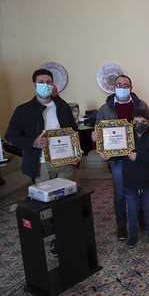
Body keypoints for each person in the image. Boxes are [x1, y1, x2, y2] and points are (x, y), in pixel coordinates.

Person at [5, 68, 81, 256]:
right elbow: (10, 136)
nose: (45, 85)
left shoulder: (62, 107)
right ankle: (56, 238)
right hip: (41, 164)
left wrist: (76, 150)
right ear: (34, 85)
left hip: (64, 162)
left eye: (49, 82)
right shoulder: (23, 110)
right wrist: (32, 142)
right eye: (41, 82)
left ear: (53, 85)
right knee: (48, 203)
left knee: (69, 198)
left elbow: (73, 131)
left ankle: (68, 234)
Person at [92, 75, 149, 241]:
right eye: (119, 85)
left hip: (138, 156)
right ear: (114, 87)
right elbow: (98, 134)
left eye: (125, 85)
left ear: (131, 87)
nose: (122, 88)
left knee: (140, 188)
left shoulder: (141, 104)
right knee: (121, 193)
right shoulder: (104, 109)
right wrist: (96, 140)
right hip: (117, 159)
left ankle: (142, 221)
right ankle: (122, 225)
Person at [120, 109, 149, 248]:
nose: (139, 124)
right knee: (132, 209)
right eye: (136, 122)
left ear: (148, 122)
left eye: (143, 122)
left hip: (148, 180)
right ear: (131, 122)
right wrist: (107, 155)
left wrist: (138, 155)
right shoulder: (124, 136)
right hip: (130, 181)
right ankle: (133, 234)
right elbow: (115, 152)